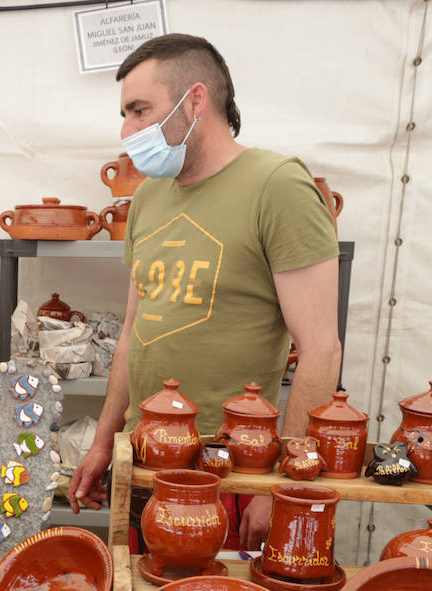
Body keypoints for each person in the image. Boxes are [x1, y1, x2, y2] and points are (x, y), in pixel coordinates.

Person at [67, 34, 342, 549]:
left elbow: (322, 349)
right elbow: (133, 330)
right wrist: (106, 440)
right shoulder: (149, 197)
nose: (128, 131)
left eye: (140, 110)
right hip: (144, 451)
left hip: (229, 460)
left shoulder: (277, 185)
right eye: (125, 115)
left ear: (196, 100)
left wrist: (282, 483)